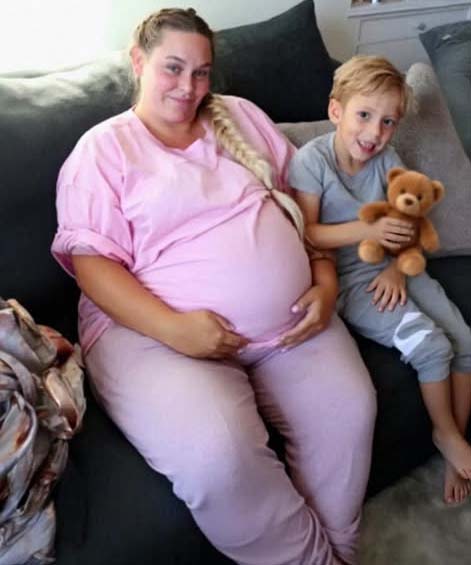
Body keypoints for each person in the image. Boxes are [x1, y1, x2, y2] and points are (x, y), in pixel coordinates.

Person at [51, 9, 376, 564]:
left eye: (201, 72)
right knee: (216, 455)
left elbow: (303, 207)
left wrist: (325, 282)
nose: (189, 86)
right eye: (173, 68)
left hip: (290, 325)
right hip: (152, 336)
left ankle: (338, 553)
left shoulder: (241, 116)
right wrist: (176, 330)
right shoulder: (103, 151)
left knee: (351, 409)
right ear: (138, 62)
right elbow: (93, 267)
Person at [288, 55, 471, 506]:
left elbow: (406, 224)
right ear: (336, 111)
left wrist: (395, 268)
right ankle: (445, 433)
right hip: (350, 281)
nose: (375, 133)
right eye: (365, 116)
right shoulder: (312, 162)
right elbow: (307, 233)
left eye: (388, 122)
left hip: (395, 267)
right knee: (433, 347)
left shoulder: (388, 158)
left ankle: (455, 443)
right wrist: (367, 231)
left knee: (466, 341)